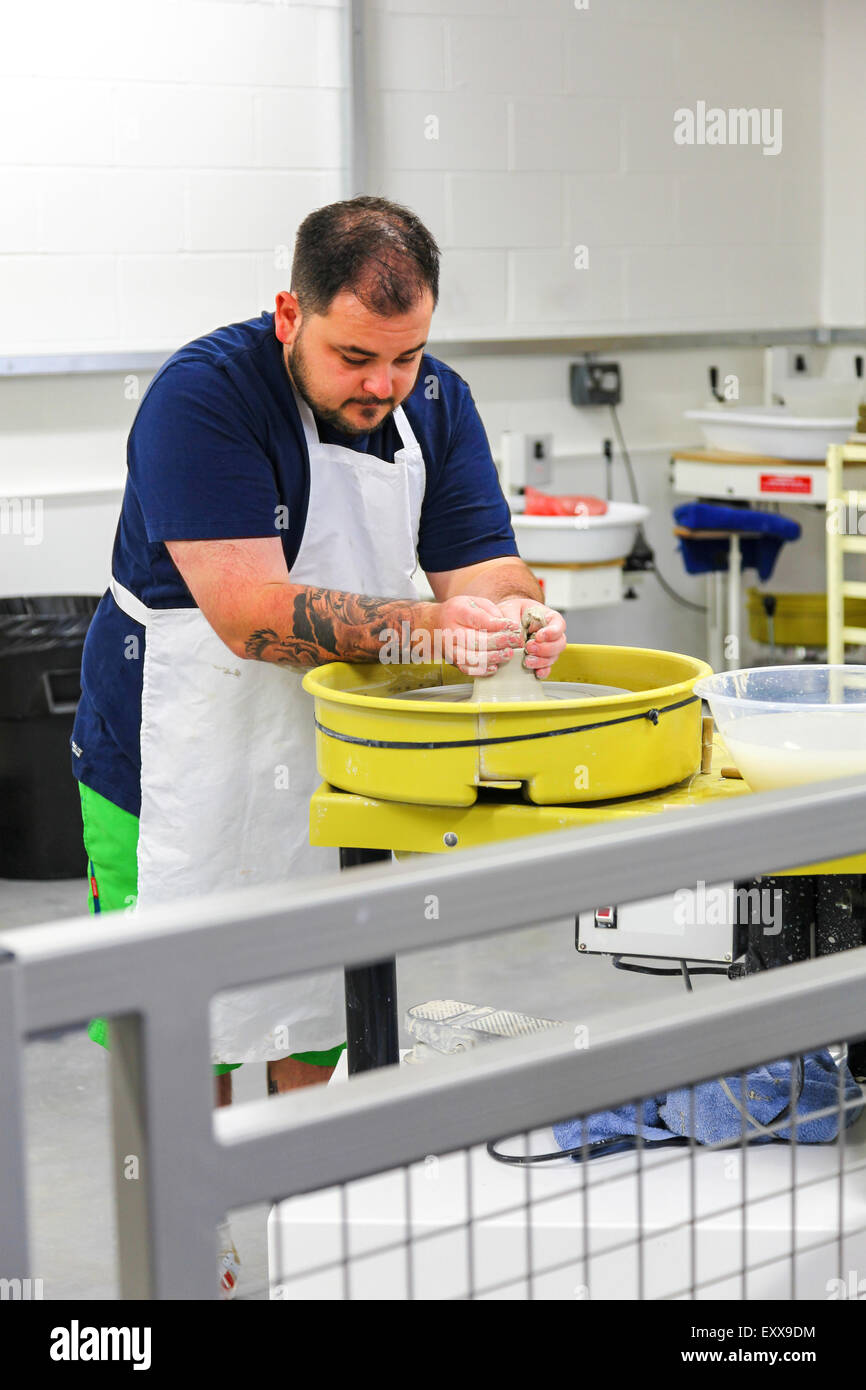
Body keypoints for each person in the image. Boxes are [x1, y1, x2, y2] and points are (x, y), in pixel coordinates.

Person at [70, 195, 567, 1295]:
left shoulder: (432, 400)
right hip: (171, 759)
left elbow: (481, 564)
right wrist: (440, 632)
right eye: (354, 356)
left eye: (405, 355)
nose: (383, 385)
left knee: (316, 1003)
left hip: (334, 763)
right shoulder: (203, 397)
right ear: (289, 310)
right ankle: (190, 1267)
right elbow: (251, 614)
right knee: (180, 1015)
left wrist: (519, 611)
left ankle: (311, 1247)